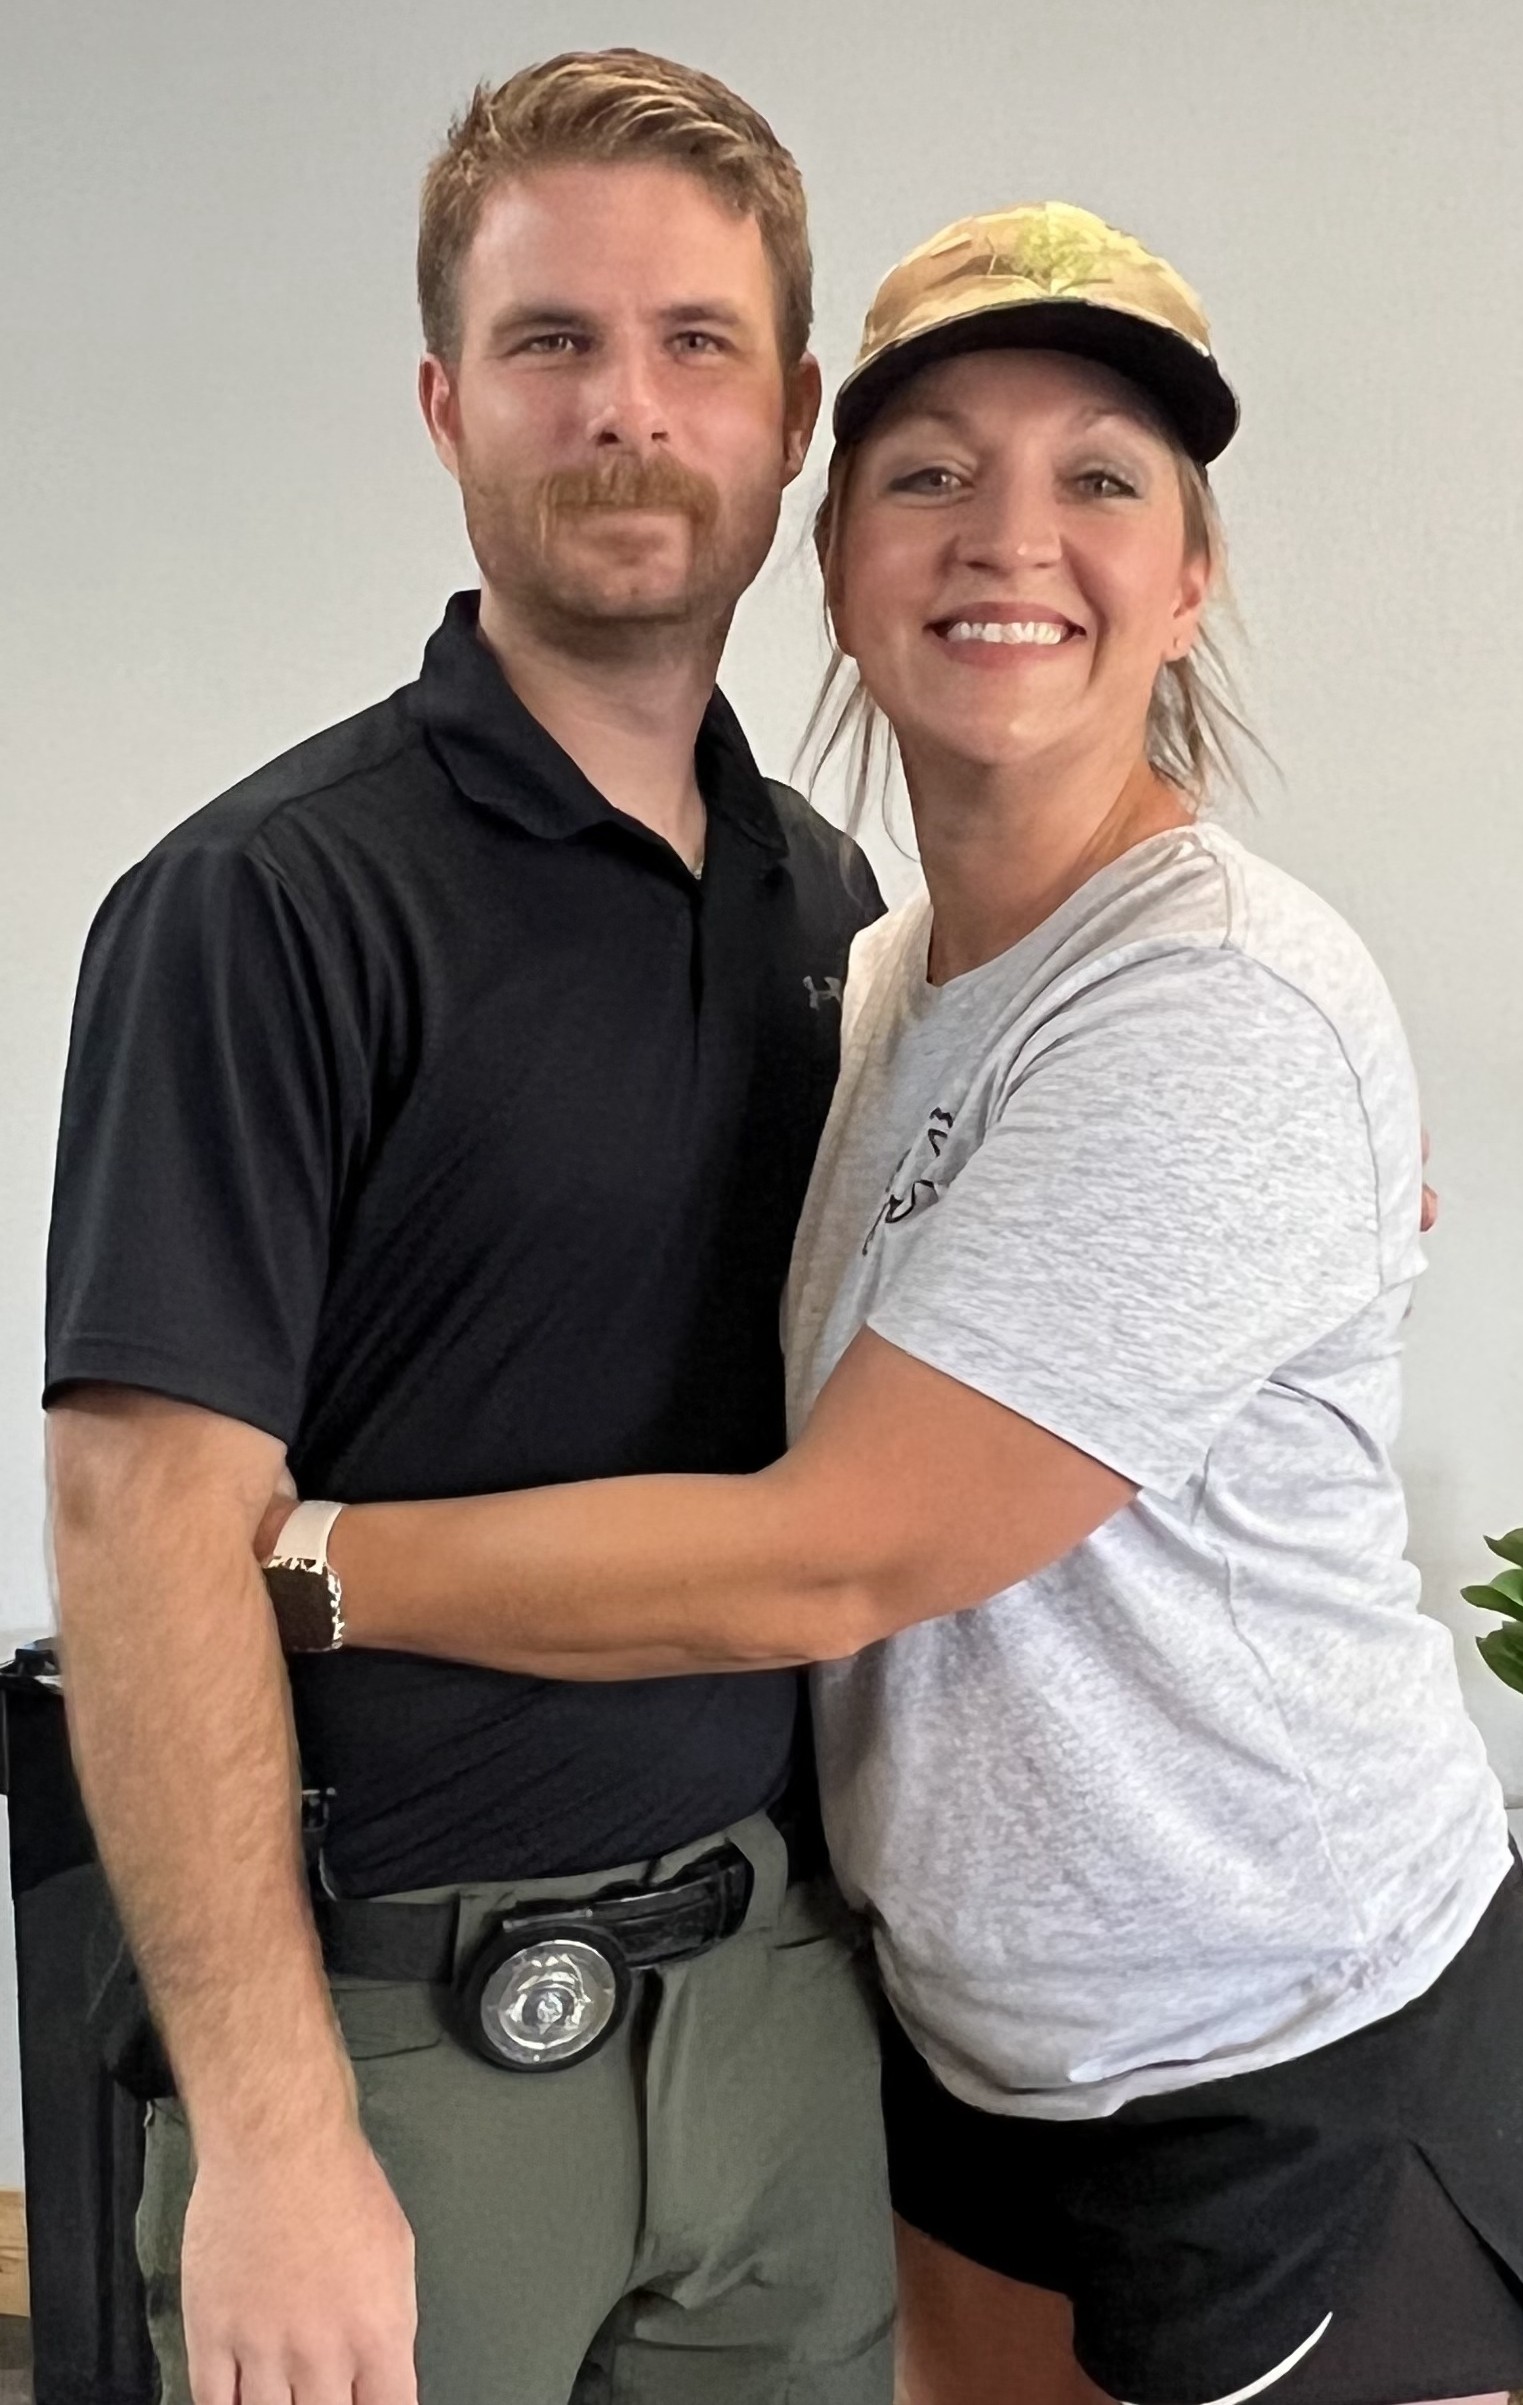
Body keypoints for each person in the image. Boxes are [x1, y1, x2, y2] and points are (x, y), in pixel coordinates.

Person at [272, 204, 1523, 2405]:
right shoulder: (881, 966)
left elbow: (837, 1553)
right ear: (836, 560)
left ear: (1189, 577)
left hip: (1284, 2044)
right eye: (928, 472)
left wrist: (303, 1565)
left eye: (1099, 476)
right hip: (978, 2043)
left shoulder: (1214, 999)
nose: (1010, 535)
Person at [44, 49, 897, 2405]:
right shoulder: (264, 907)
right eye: (553, 343)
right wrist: (272, 2134)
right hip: (402, 2050)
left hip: (777, 2014)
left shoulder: (835, 908)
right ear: (446, 405)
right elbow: (138, 1531)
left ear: (791, 419)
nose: (626, 408)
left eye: (696, 343)